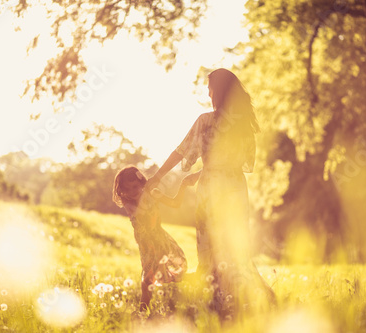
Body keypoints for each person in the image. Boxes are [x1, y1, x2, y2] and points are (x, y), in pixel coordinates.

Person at [146, 68, 274, 317]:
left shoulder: (206, 121)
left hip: (212, 191)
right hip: (235, 189)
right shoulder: (243, 125)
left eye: (210, 89)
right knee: (234, 245)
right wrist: (201, 173)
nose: (208, 93)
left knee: (210, 245)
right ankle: (248, 299)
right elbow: (235, 164)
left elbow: (181, 151)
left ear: (219, 91)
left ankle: (218, 302)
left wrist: (157, 177)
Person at [112, 165, 198, 311]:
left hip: (160, 240)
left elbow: (175, 203)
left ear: (142, 184)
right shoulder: (128, 202)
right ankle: (143, 310)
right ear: (123, 190)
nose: (132, 192)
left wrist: (183, 185)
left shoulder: (152, 194)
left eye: (135, 187)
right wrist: (146, 194)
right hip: (147, 245)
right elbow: (139, 213)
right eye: (128, 189)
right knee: (148, 281)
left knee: (163, 276)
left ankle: (142, 310)